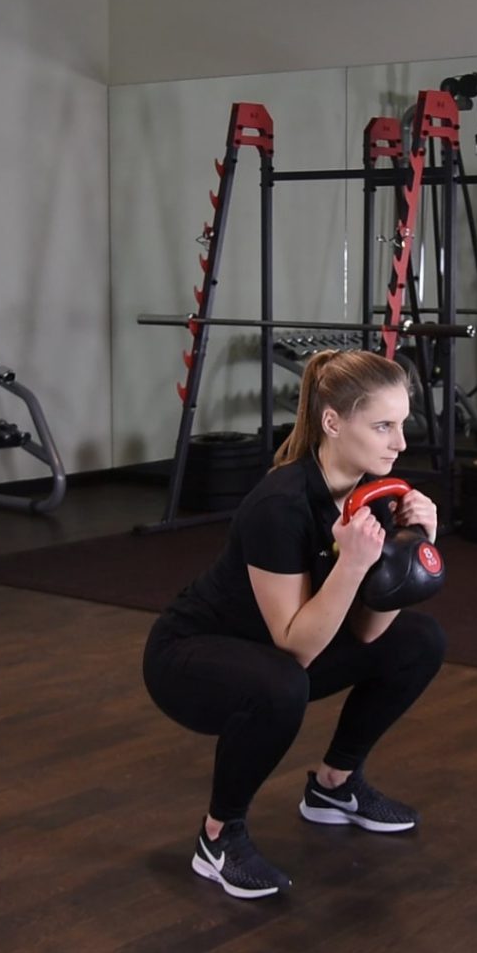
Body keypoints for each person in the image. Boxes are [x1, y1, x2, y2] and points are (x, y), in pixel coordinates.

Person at [141, 349, 447, 900]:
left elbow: (372, 633)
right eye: (383, 426)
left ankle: (335, 786)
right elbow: (297, 648)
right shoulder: (279, 505)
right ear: (332, 422)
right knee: (283, 684)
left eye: (402, 424)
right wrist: (353, 565)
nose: (400, 443)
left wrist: (412, 550)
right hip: (190, 658)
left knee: (419, 640)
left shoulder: (369, 496)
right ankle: (218, 837)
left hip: (276, 655)